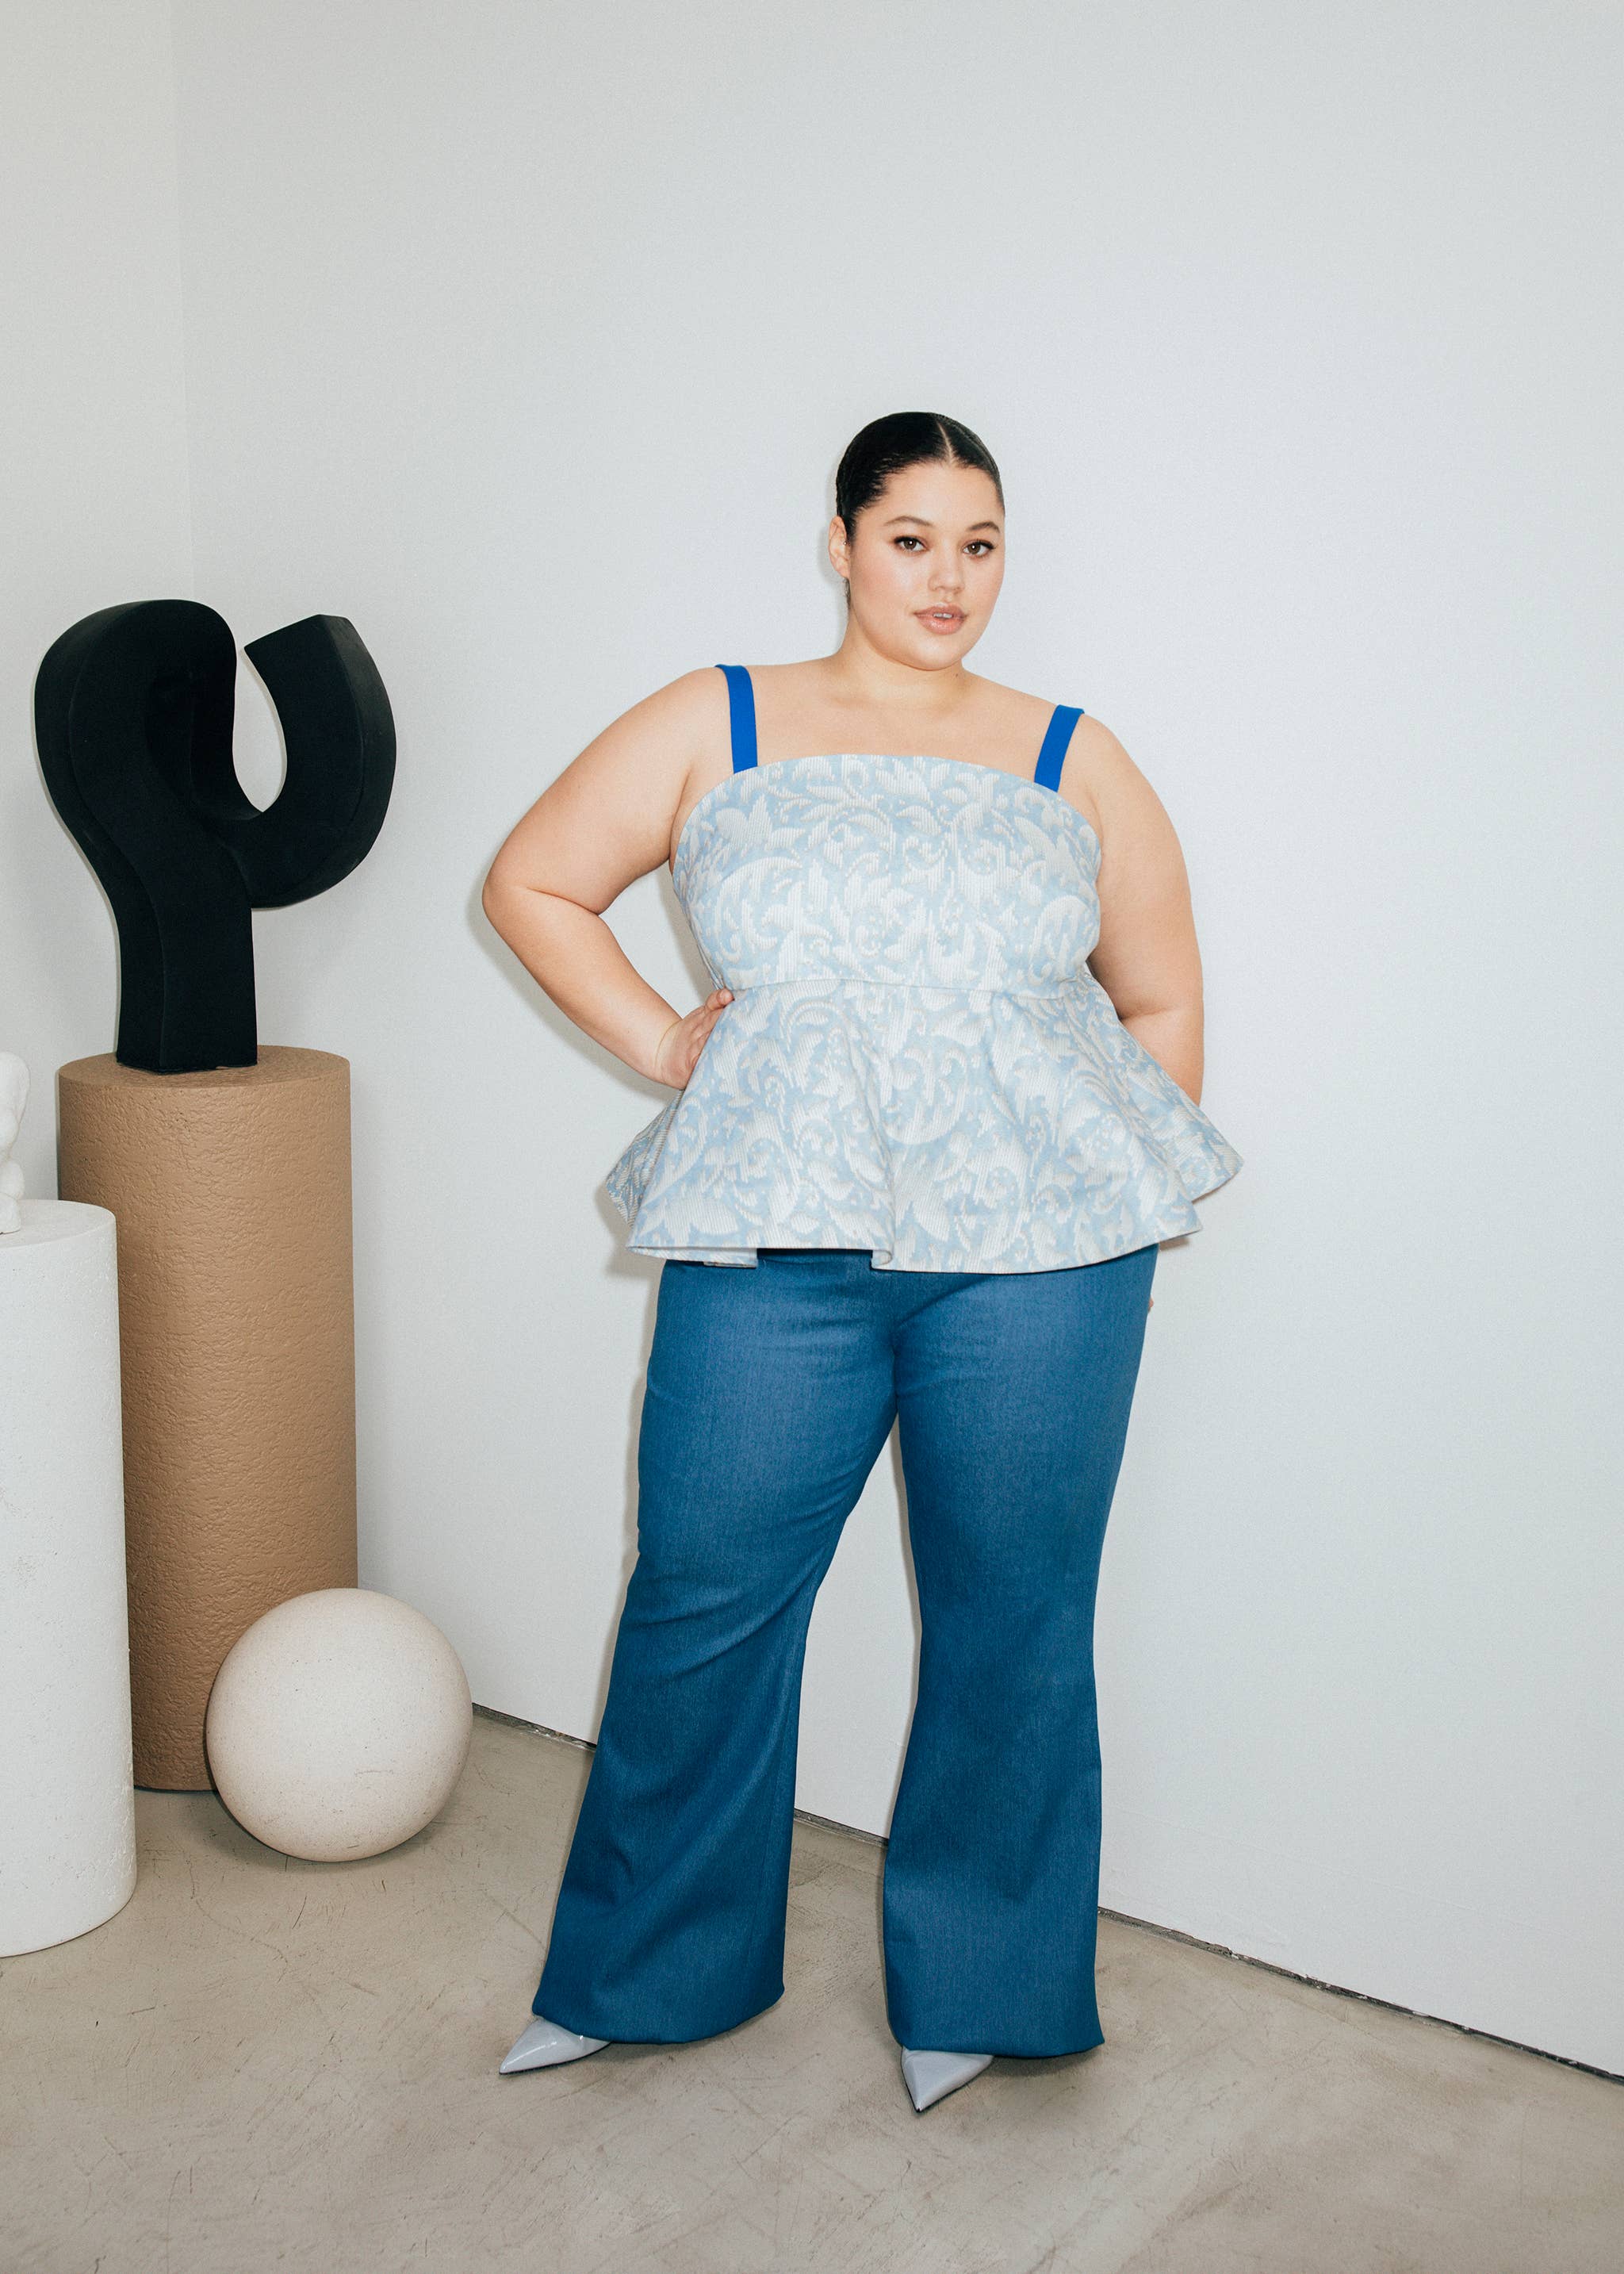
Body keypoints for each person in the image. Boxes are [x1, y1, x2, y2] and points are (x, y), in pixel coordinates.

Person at [479, 411, 1243, 2111]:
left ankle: (985, 1989)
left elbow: (1161, 993)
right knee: (701, 1599)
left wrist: (1107, 1181)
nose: (947, 578)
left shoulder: (1072, 755)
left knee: (1013, 1623)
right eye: (911, 539)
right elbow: (534, 882)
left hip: (1041, 1269)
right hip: (778, 1241)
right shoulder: (721, 719)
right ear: (841, 544)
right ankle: (643, 1972)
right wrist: (666, 1045)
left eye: (980, 544)